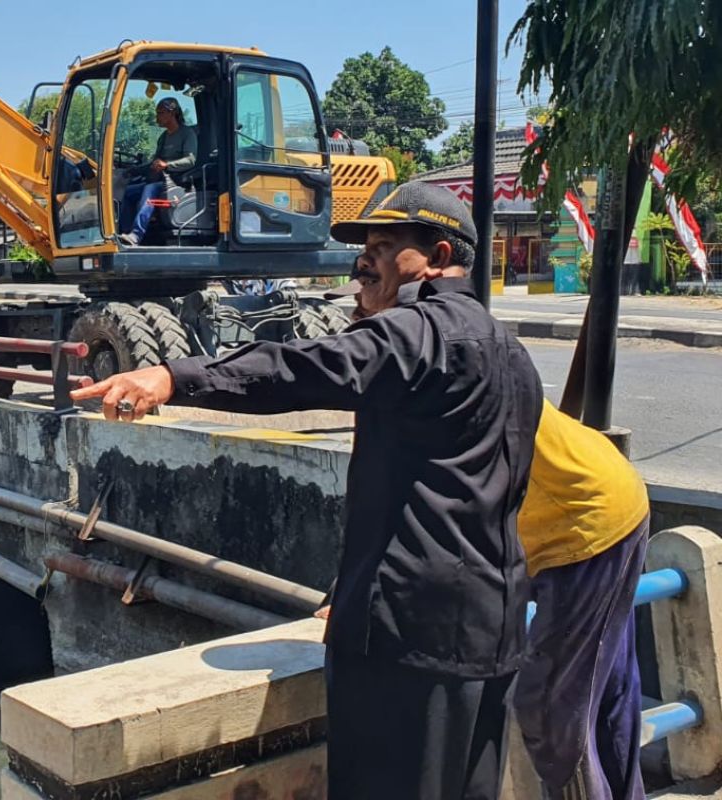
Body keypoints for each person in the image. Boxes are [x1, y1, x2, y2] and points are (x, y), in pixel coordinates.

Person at [71, 181, 544, 800]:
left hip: (410, 641)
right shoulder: (509, 350)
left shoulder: (418, 332)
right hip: (492, 628)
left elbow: (299, 368)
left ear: (438, 255)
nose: (364, 260)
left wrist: (173, 375)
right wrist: (350, 591)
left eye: (383, 245)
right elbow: (450, 496)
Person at [514, 400, 650, 800]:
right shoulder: (476, 354)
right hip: (614, 496)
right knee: (607, 690)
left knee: (552, 713)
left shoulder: (422, 395)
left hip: (580, 531)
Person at [117, 97, 197, 246]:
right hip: (160, 180)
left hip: (176, 182)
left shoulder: (187, 134)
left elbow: (191, 160)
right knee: (128, 193)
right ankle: (125, 233)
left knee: (149, 190)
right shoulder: (164, 137)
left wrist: (167, 165)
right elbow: (154, 163)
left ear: (172, 113)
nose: (157, 117)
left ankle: (136, 235)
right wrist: (132, 171)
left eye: (160, 113)